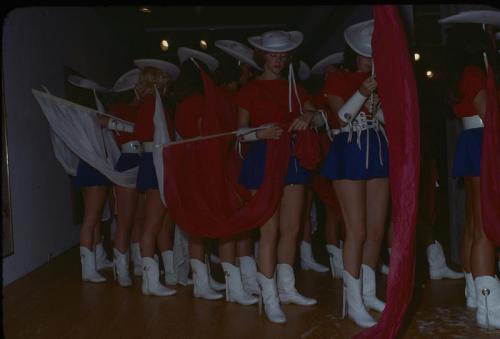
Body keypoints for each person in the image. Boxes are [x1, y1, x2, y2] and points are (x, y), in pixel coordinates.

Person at [237, 30, 318, 324]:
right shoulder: (250, 89)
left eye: (282, 55)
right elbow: (239, 133)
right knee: (268, 232)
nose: (278, 60)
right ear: (262, 56)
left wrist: (308, 117)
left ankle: (287, 289)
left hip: (293, 157)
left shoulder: (296, 86)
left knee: (293, 228)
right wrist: (259, 133)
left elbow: (314, 112)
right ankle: (269, 297)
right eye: (273, 54)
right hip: (263, 158)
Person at [175, 47, 258, 305]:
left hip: (190, 167)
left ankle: (204, 282)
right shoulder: (207, 101)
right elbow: (209, 136)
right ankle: (234, 286)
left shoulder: (182, 103)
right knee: (227, 225)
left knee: (197, 226)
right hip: (211, 166)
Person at [320, 20, 387, 328]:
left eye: (372, 56)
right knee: (356, 231)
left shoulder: (380, 79)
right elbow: (342, 117)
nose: (368, 61)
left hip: (377, 150)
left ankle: (369, 292)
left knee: (376, 230)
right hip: (349, 152)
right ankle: (353, 299)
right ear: (352, 55)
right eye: (363, 55)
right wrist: (362, 92)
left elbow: (386, 120)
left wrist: (381, 104)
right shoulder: (337, 78)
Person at [440, 13, 500, 329]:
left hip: (473, 140)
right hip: (483, 142)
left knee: (474, 224)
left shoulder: (466, 70)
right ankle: (489, 304)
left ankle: (476, 295)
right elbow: (490, 116)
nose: (494, 36)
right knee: (484, 227)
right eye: (490, 31)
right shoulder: (475, 71)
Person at [133, 59, 180, 297]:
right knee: (152, 224)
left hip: (153, 162)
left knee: (157, 223)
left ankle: (159, 277)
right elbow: (144, 134)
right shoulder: (153, 104)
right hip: (156, 163)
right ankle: (150, 282)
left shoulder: (149, 103)